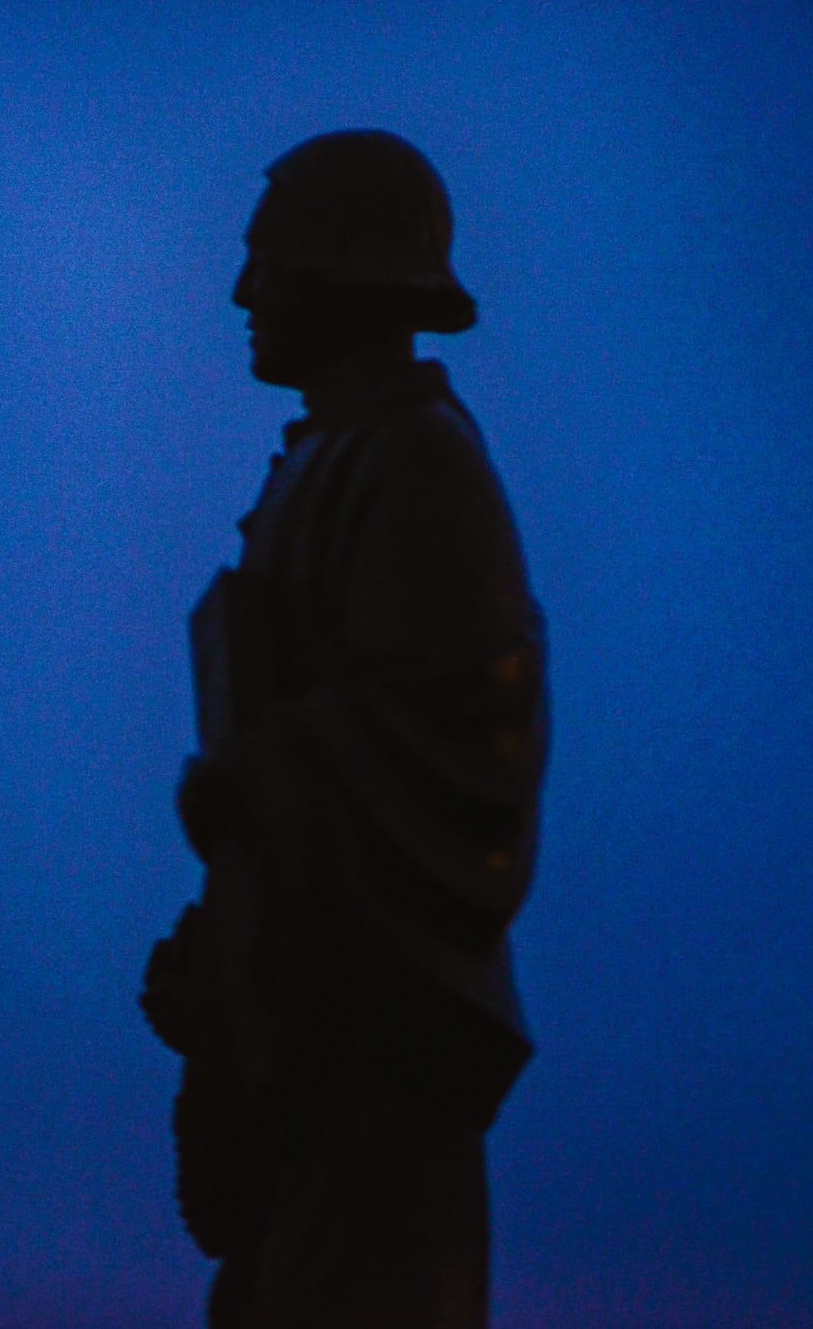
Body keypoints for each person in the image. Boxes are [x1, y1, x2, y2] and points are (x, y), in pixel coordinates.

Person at [141, 129, 548, 1329]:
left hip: (378, 1025)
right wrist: (228, 942)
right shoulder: (332, 462)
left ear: (341, 270)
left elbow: (455, 722)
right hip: (312, 1027)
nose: (244, 295)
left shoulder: (417, 462)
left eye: (267, 261)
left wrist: (258, 775)